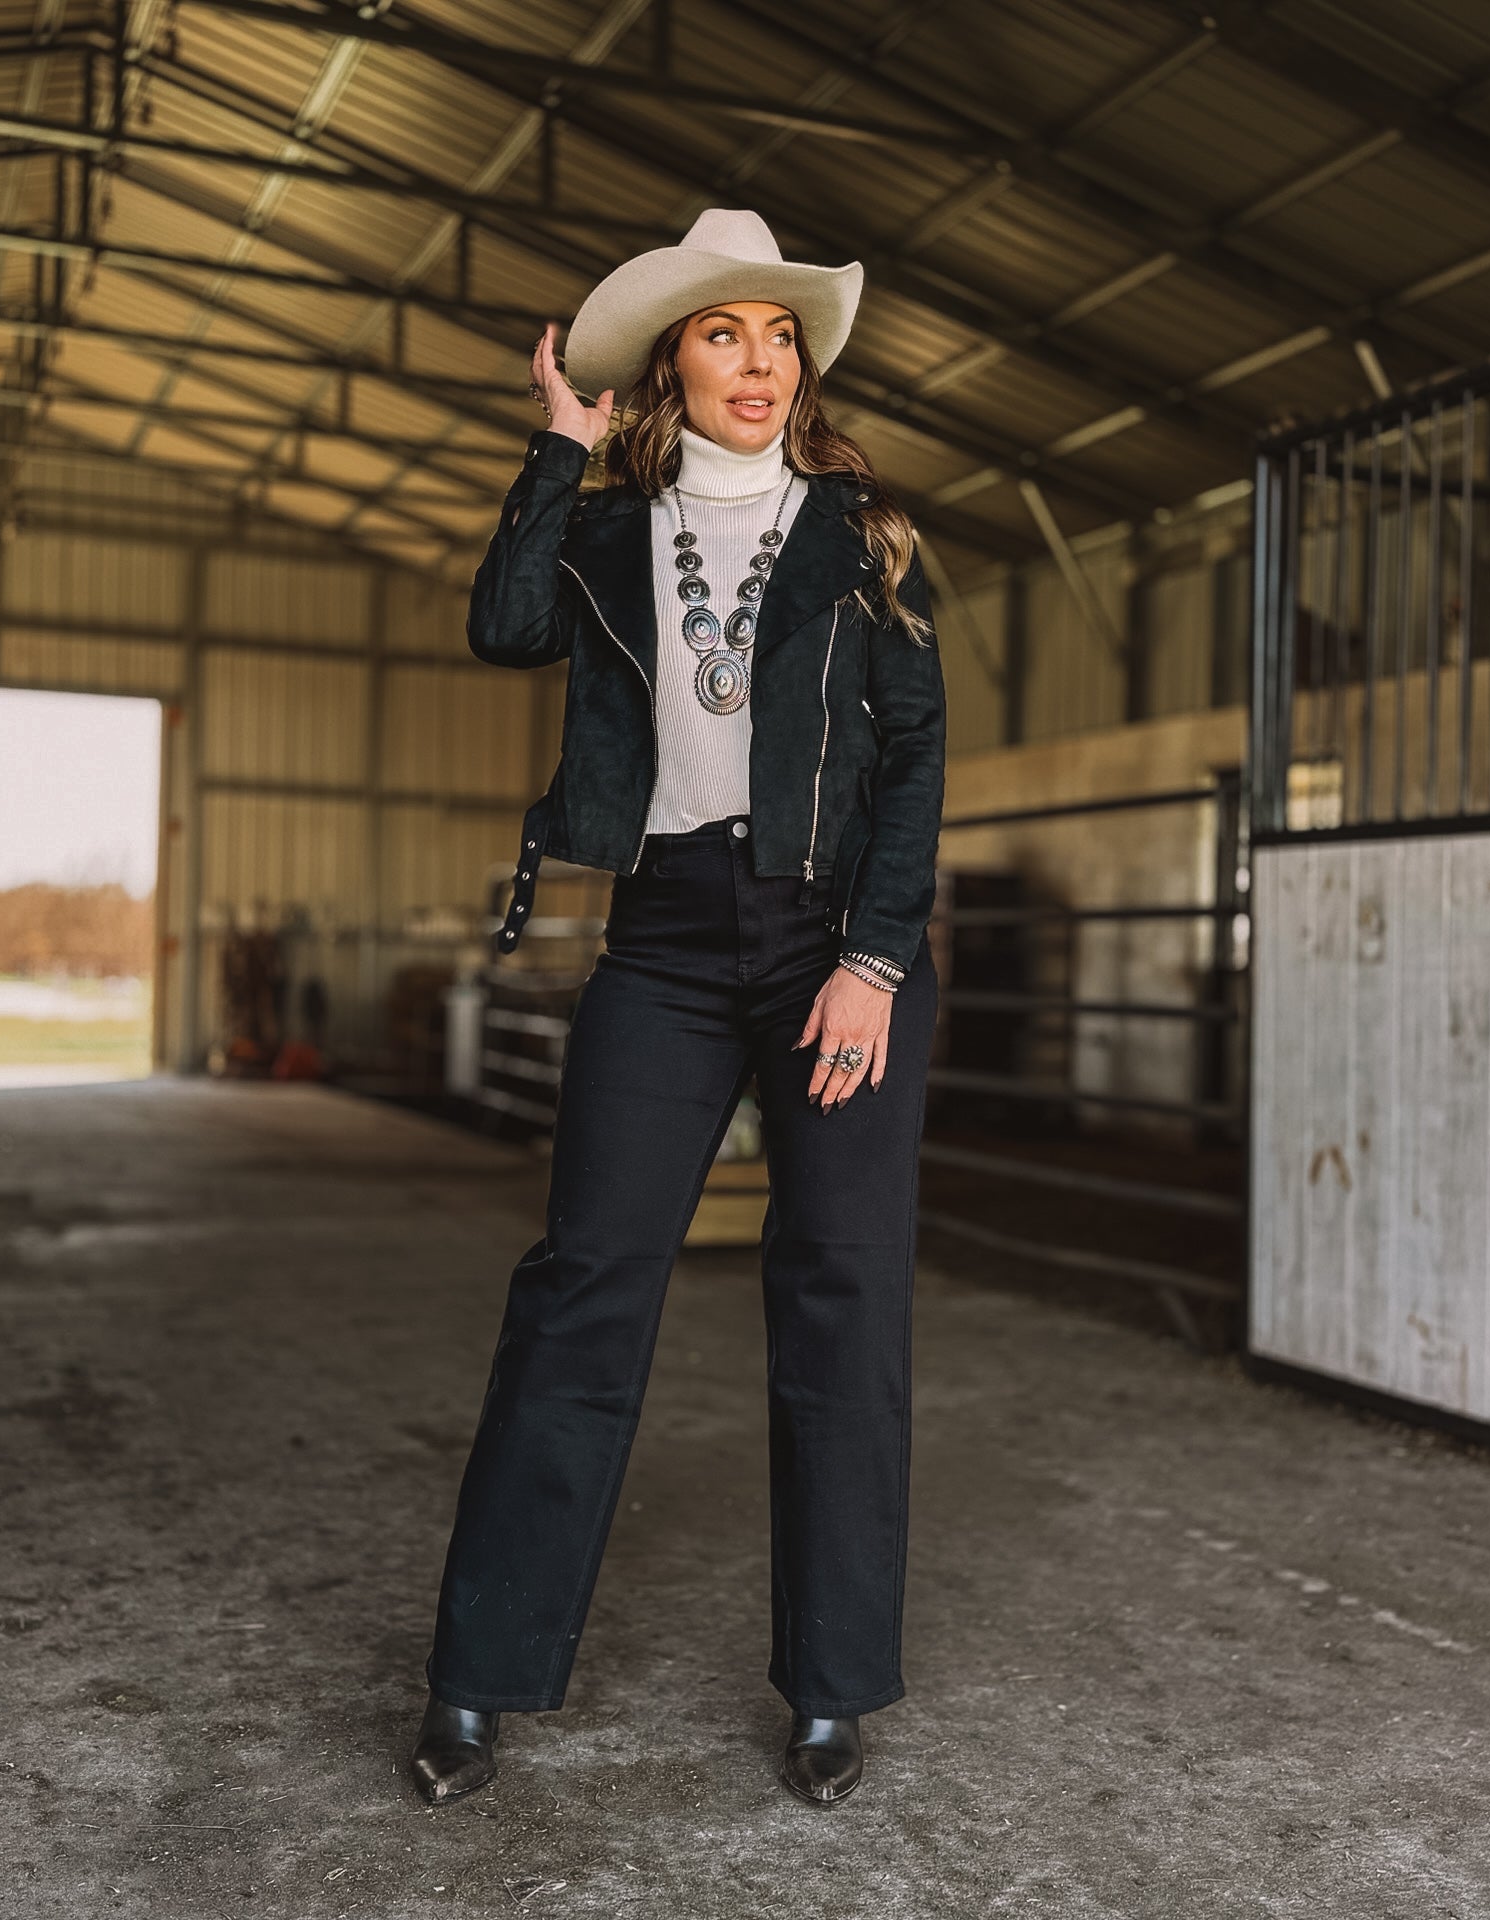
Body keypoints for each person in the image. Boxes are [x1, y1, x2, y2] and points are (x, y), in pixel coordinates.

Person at [410, 208, 946, 1808]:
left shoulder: (867, 538)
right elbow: (500, 627)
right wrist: (554, 453)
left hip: (828, 944)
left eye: (779, 337)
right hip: (662, 941)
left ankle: (834, 1692)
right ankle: (474, 1677)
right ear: (668, 368)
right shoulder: (602, 530)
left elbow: (915, 757)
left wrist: (875, 960)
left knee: (843, 1296)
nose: (760, 363)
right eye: (725, 335)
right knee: (583, 1287)